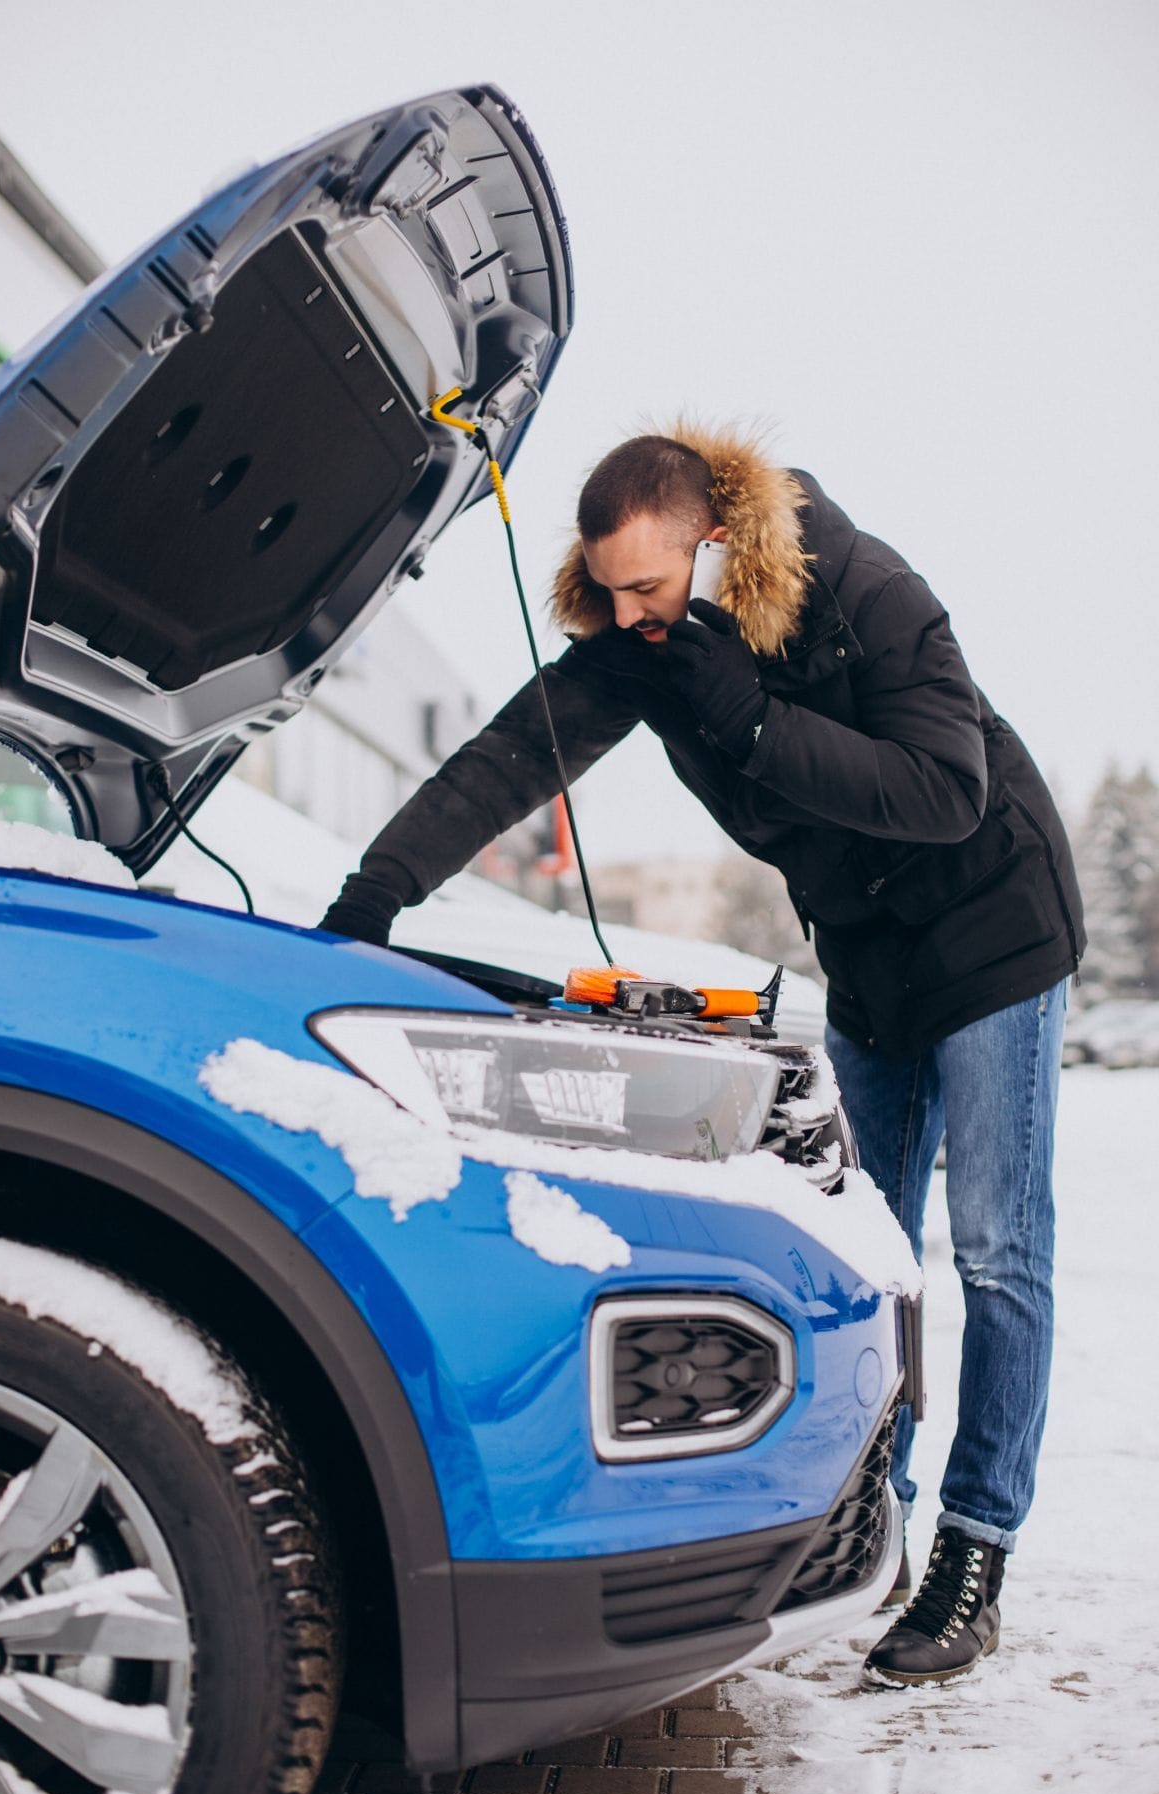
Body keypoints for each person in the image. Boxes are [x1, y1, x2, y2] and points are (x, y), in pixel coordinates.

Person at [320, 427, 1084, 1686]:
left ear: (715, 548)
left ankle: (976, 1545)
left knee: (999, 1250)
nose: (629, 616)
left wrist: (755, 720)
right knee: (870, 1246)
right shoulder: (650, 644)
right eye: (609, 594)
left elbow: (946, 788)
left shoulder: (866, 592)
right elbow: (515, 755)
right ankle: (862, 1510)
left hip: (995, 928)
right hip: (875, 957)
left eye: (650, 589)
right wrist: (372, 897)